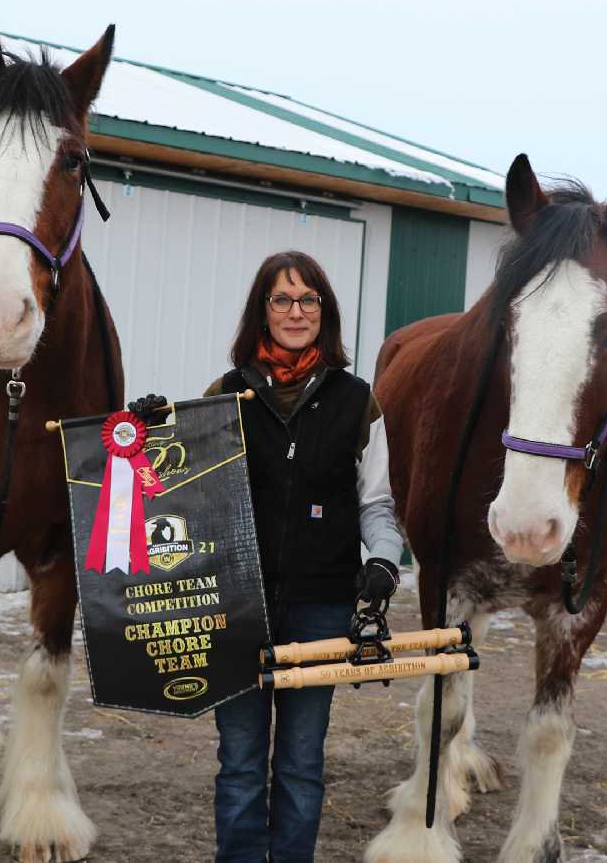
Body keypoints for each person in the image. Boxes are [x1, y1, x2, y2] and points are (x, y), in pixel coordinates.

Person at [203, 250, 403, 862]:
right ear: (262, 312)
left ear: (325, 310)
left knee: (299, 763)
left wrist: (384, 562)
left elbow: (378, 506)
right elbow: (190, 498)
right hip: (238, 607)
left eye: (308, 299)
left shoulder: (358, 402)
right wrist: (152, 440)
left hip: (321, 608)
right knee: (239, 762)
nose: (296, 311)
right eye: (282, 299)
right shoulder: (225, 395)